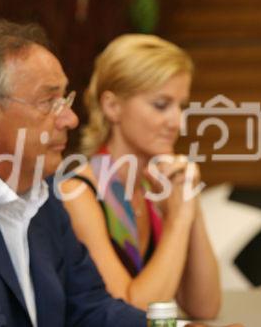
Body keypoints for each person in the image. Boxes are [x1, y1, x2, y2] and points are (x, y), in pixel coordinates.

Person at [0, 19, 146, 327]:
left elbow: (92, 309)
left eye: (66, 99)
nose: (70, 119)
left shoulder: (44, 191)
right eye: (49, 102)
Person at [60, 34, 221, 318]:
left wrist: (189, 202)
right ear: (112, 107)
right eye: (161, 105)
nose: (178, 122)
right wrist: (178, 220)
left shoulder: (156, 187)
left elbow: (204, 307)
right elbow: (130, 311)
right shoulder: (78, 193)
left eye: (180, 106)